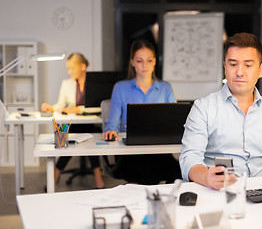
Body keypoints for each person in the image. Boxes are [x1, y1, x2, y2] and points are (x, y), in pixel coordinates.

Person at [179, 32, 262, 190]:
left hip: (261, 196)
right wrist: (206, 177)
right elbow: (189, 158)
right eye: (233, 64)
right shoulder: (203, 108)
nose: (239, 72)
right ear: (225, 66)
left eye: (248, 65)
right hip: (218, 194)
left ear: (260, 70)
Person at [103, 39, 181, 185]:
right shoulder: (120, 88)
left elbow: (173, 122)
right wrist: (110, 131)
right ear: (132, 62)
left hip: (159, 151)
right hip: (131, 153)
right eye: (139, 61)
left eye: (149, 60)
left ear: (155, 62)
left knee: (179, 171)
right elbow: (112, 122)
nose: (145, 65)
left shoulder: (165, 88)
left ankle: (160, 203)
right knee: (147, 174)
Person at [41, 53, 104, 189]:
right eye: (68, 69)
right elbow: (60, 105)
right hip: (73, 124)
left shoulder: (95, 82)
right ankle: (55, 176)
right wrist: (50, 107)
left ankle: (97, 177)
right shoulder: (66, 83)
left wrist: (79, 109)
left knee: (88, 137)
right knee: (63, 138)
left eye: (72, 68)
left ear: (82, 67)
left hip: (91, 123)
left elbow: (99, 107)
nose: (69, 72)